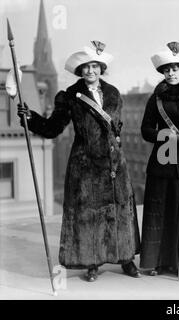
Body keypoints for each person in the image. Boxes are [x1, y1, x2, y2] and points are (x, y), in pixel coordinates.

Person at [17, 41, 141, 282]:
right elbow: (53, 128)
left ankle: (126, 258)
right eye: (86, 67)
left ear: (101, 68)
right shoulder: (69, 96)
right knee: (88, 213)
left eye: (95, 66)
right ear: (79, 70)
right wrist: (30, 118)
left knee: (121, 211)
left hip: (115, 163)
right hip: (85, 164)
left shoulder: (114, 93)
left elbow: (117, 127)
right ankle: (91, 262)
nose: (90, 71)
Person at [139, 41, 179, 278]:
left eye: (175, 68)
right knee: (159, 211)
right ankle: (157, 261)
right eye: (167, 70)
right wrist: (167, 135)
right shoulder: (157, 98)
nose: (171, 73)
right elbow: (145, 130)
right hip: (162, 163)